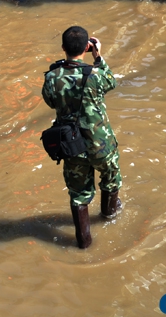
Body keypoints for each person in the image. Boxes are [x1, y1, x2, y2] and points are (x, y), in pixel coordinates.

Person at [41, 26, 122, 249]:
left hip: (72, 145)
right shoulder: (96, 74)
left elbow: (50, 102)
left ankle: (84, 244)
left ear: (63, 48)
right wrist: (98, 57)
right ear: (87, 47)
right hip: (101, 143)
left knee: (79, 195)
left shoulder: (52, 77)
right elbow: (111, 82)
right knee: (111, 180)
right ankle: (109, 217)